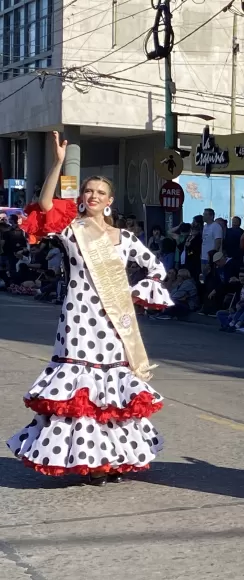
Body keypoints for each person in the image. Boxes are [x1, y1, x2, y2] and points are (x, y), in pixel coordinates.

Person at [6, 131, 172, 485]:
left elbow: (156, 267)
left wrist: (139, 290)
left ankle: (111, 460)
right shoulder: (72, 230)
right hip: (78, 318)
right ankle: (85, 460)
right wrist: (57, 162)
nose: (93, 196)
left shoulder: (125, 239)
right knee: (80, 391)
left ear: (109, 200)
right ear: (82, 197)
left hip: (113, 322)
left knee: (110, 392)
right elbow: (46, 206)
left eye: (100, 192)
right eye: (88, 191)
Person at [201, 208, 224, 275]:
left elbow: (218, 242)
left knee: (212, 275)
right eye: (203, 214)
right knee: (205, 276)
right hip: (204, 256)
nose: (203, 216)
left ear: (211, 216)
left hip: (212, 258)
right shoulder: (205, 227)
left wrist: (213, 257)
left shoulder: (216, 226)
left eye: (205, 214)